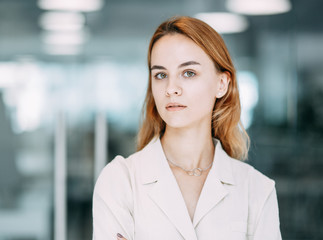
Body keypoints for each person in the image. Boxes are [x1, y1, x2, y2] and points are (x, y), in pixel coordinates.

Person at [92, 16, 282, 240]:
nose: (171, 89)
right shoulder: (120, 181)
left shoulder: (257, 190)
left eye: (188, 73)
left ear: (222, 84)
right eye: (161, 75)